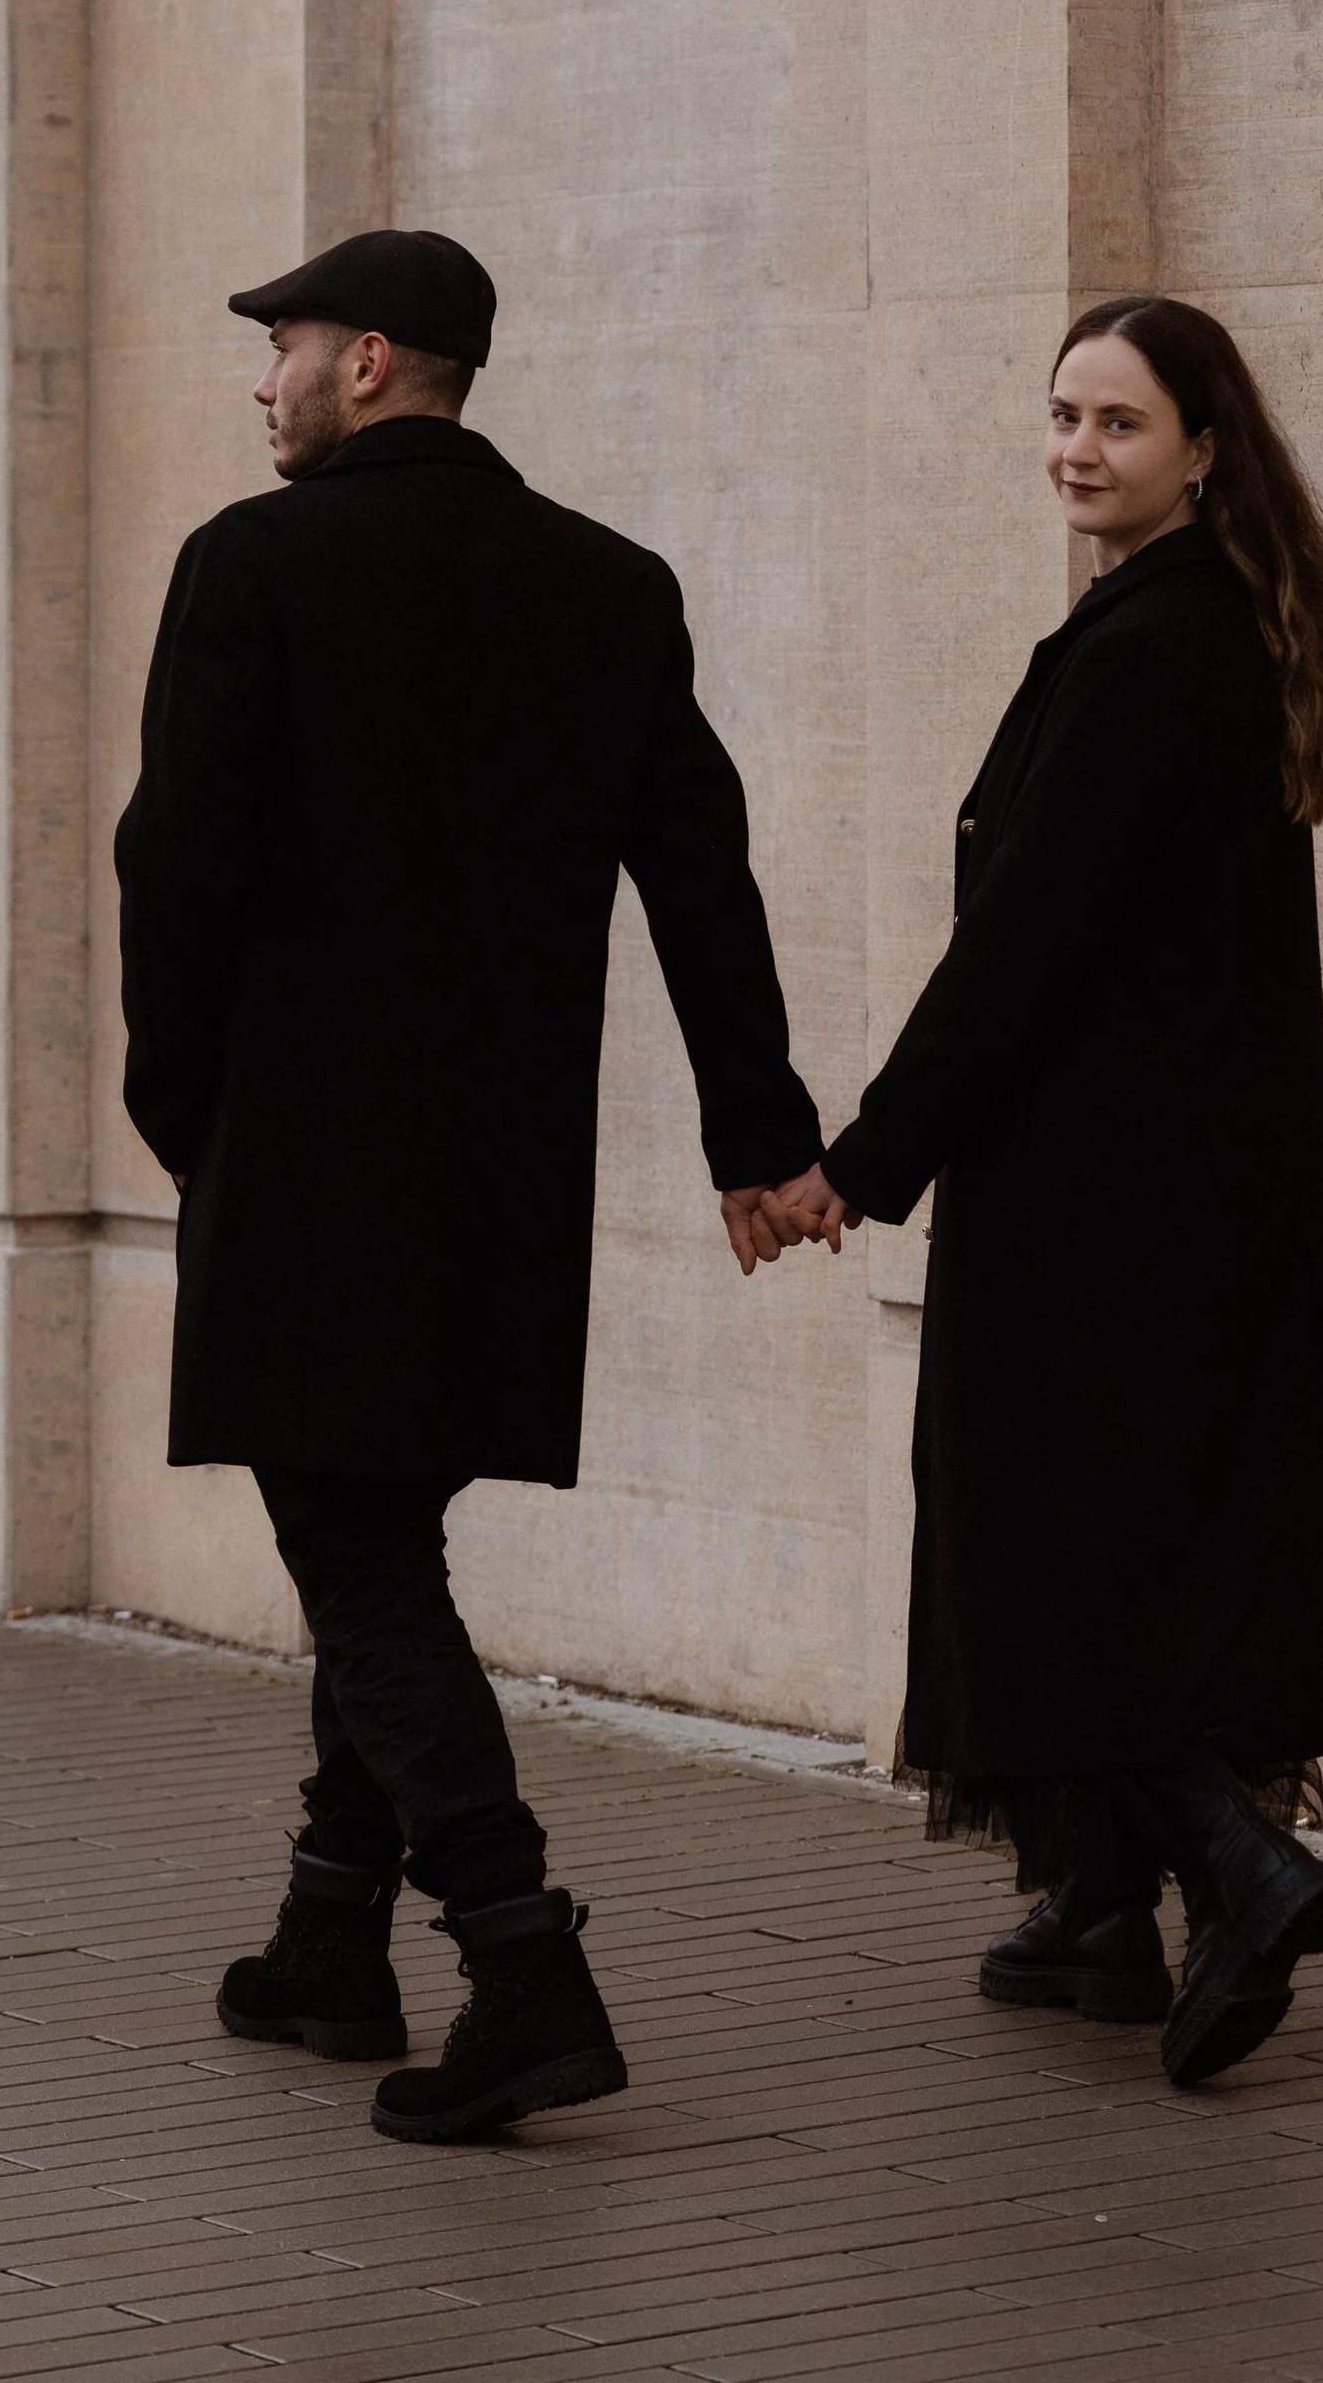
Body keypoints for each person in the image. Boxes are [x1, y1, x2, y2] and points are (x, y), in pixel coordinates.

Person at [115, 228, 821, 2143]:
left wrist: (182, 1110)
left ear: (369, 363)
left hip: (305, 1162)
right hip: (503, 1178)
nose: (263, 383)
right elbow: (701, 869)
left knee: (353, 1557)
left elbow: (174, 870)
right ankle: (330, 1946)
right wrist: (759, 1133)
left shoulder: (248, 566)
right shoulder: (610, 587)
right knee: (382, 1544)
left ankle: (524, 1964)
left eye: (284, 349)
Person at [773, 295, 1323, 2088]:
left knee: (1039, 1533)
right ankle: (1100, 1917)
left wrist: (859, 1164)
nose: (1076, 449)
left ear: (1204, 448)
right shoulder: (1197, 622)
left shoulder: (1152, 649)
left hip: (1102, 1187)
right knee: (1127, 1529)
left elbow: (1024, 949)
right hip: (1194, 1177)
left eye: (1117, 423)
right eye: (1061, 414)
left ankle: (1240, 1869)